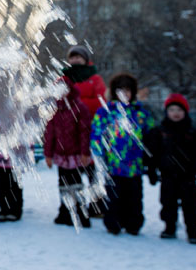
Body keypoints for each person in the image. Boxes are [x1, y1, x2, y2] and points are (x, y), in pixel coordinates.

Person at [90, 73, 154, 236]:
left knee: (134, 197)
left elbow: (151, 135)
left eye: (127, 91)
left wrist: (151, 156)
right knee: (114, 196)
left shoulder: (140, 113)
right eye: (120, 91)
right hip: (114, 165)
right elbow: (97, 133)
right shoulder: (106, 112)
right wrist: (98, 153)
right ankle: (113, 223)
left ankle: (133, 224)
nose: (124, 94)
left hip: (135, 165)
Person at [145, 93, 196, 244]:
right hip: (168, 175)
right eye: (172, 110)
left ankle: (193, 230)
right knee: (168, 203)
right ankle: (169, 227)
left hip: (187, 176)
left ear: (185, 112)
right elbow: (153, 154)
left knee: (191, 205)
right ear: (166, 112)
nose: (176, 113)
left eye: (179, 110)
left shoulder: (192, 132)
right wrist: (151, 171)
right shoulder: (160, 132)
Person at [62, 44, 106, 217]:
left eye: (78, 56)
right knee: (72, 171)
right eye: (72, 57)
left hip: (90, 130)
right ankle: (75, 206)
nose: (75, 60)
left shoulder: (95, 79)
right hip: (70, 131)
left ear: (86, 59)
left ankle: (97, 206)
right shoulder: (64, 79)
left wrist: (77, 106)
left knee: (92, 170)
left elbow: (100, 101)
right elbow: (57, 101)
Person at [44, 78, 93, 228]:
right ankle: (65, 212)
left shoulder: (79, 107)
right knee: (63, 185)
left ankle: (80, 213)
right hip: (61, 154)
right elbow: (49, 133)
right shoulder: (54, 109)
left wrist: (85, 152)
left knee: (77, 185)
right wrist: (48, 154)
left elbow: (85, 131)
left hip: (76, 155)